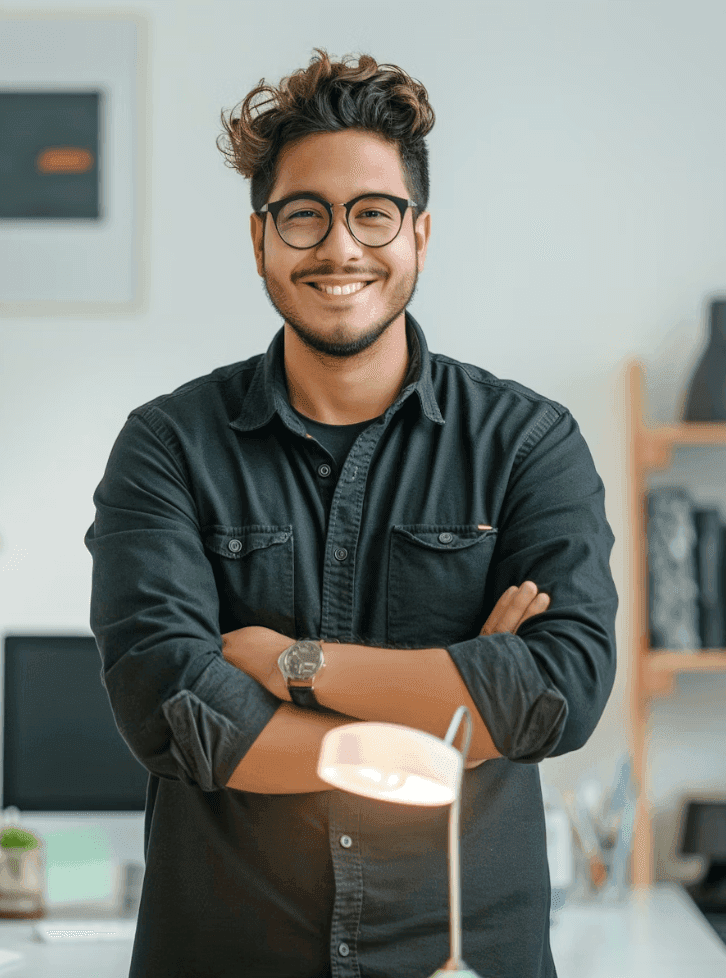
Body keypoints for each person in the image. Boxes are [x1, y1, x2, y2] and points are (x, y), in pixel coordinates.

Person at [85, 48, 618, 978]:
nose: (340, 247)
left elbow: (554, 695)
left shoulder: (529, 444)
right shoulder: (167, 447)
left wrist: (290, 666)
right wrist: (442, 727)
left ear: (419, 234)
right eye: (304, 216)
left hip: (465, 957)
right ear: (261, 241)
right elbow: (177, 712)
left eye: (373, 213)